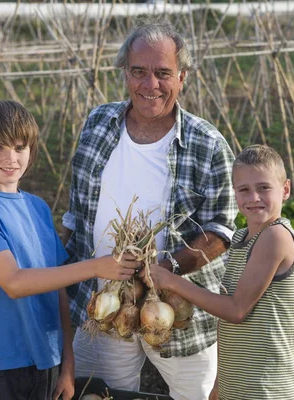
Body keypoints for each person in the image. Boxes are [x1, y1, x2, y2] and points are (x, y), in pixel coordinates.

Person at [62, 21, 237, 400]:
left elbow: (220, 229)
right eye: (138, 72)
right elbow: (76, 215)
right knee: (99, 393)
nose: (149, 84)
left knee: (196, 394)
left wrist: (169, 269)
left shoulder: (207, 143)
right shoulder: (97, 124)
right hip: (104, 305)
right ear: (125, 71)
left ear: (182, 76)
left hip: (177, 307)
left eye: (162, 74)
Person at [0, 100, 139, 400]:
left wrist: (67, 362)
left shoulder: (37, 208)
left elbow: (58, 291)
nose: (10, 158)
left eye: (20, 146)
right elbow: (13, 282)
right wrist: (95, 266)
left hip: (46, 359)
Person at [142, 144, 294, 400]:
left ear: (285, 189)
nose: (253, 197)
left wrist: (171, 281)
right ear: (235, 194)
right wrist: (221, 380)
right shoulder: (242, 239)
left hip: (268, 387)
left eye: (264, 187)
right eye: (244, 190)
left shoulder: (275, 237)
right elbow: (226, 321)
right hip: (239, 383)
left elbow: (235, 310)